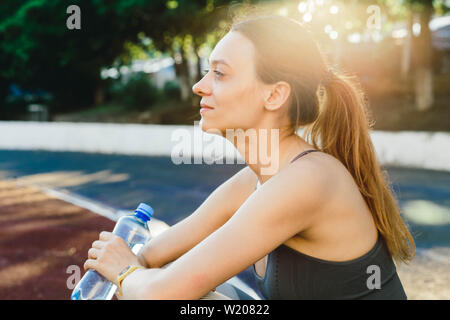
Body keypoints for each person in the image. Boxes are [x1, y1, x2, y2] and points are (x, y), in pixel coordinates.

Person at [83, 14, 415, 300]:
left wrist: (123, 272)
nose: (200, 86)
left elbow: (162, 292)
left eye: (220, 74)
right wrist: (129, 263)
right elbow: (155, 254)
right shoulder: (256, 178)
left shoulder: (308, 180)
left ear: (274, 95)